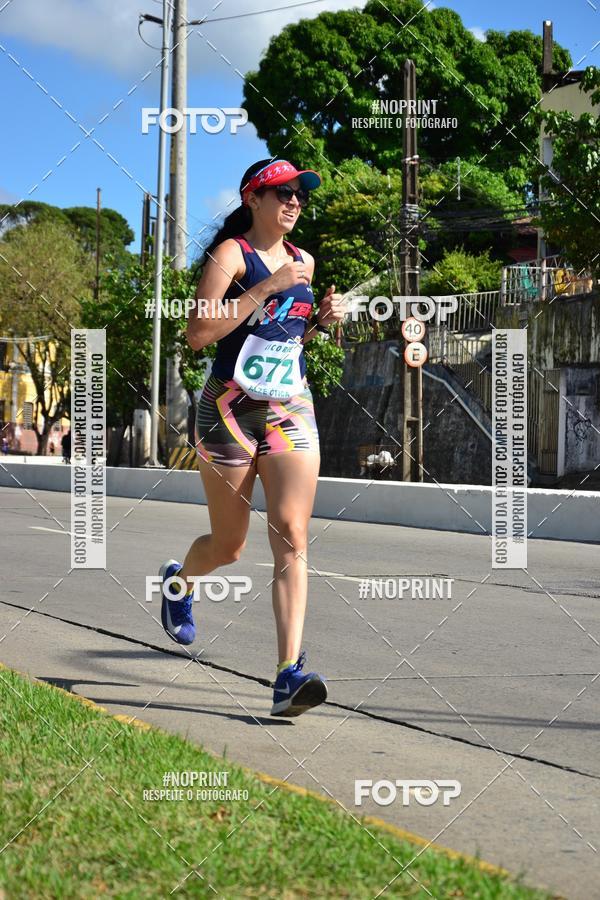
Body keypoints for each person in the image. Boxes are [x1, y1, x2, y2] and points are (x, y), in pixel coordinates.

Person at [158, 159, 344, 717]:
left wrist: (321, 322)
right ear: (253, 199)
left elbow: (284, 337)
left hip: (289, 407)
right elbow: (198, 333)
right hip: (228, 409)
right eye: (283, 193)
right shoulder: (232, 256)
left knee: (291, 533)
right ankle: (180, 583)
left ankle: (289, 674)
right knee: (230, 545)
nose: (294, 203)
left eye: (300, 196)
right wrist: (269, 286)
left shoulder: (305, 261)